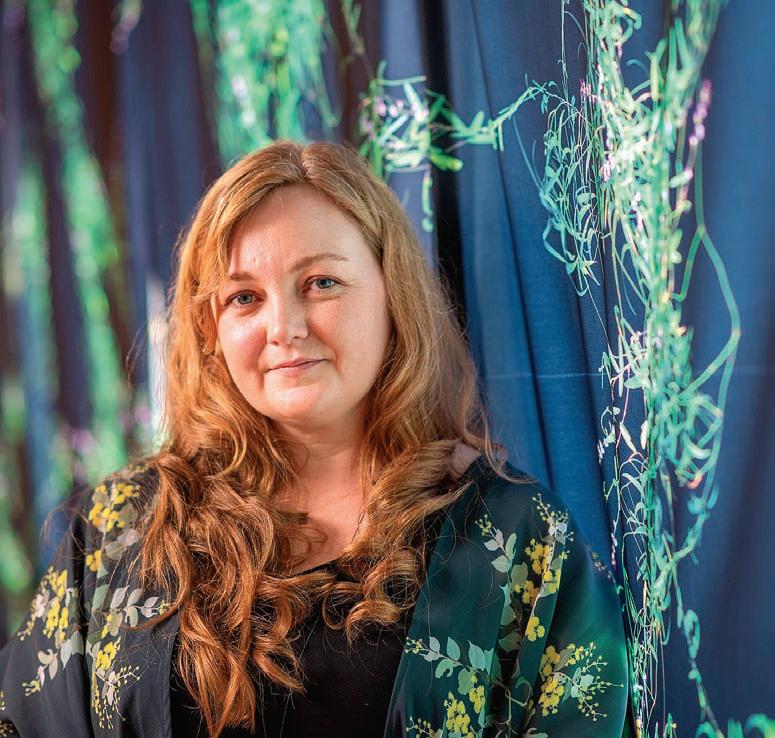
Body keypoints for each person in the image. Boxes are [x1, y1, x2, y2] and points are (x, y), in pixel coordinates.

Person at [0, 140, 632, 737]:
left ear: (393, 295)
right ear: (212, 330)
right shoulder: (119, 527)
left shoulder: (516, 539)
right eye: (244, 297)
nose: (284, 327)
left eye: (321, 282)